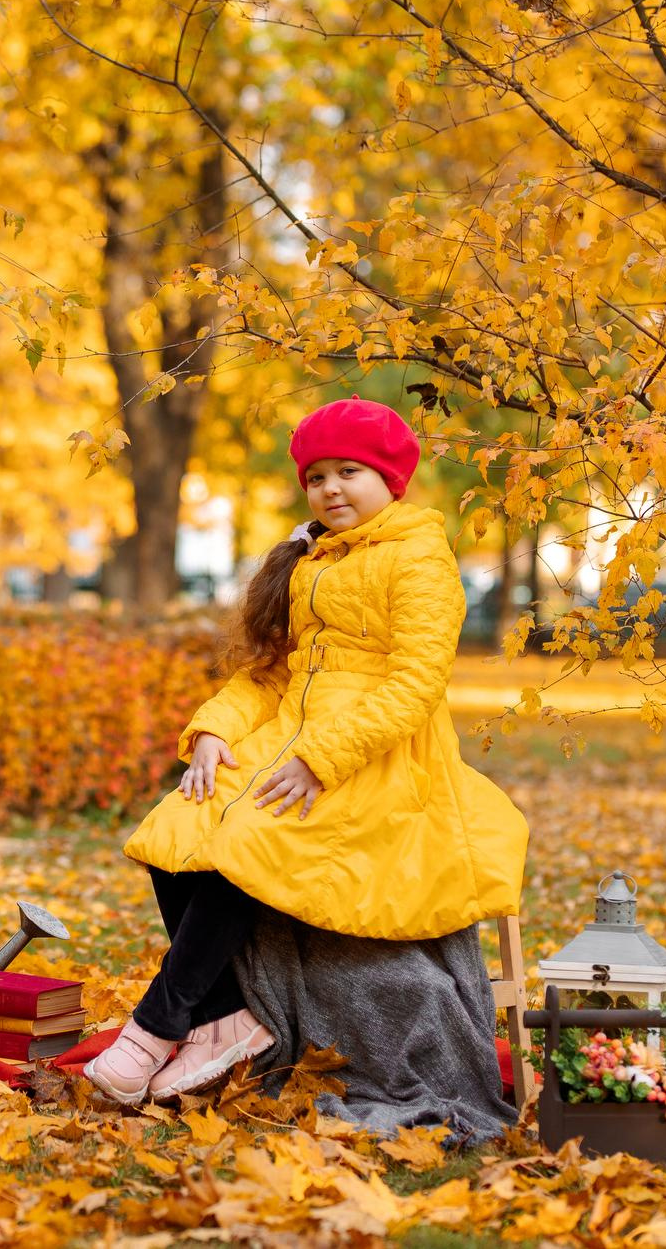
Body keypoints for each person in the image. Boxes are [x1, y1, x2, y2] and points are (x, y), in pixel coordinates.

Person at [86, 396, 528, 1121]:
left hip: (378, 758)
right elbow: (269, 673)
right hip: (292, 739)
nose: (329, 489)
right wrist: (214, 732)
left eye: (348, 471)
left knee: (249, 838)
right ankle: (228, 1014)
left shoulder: (418, 558)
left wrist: (322, 758)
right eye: (316, 476)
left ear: (391, 480)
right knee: (175, 830)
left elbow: (415, 682)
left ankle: (155, 1025)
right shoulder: (309, 561)